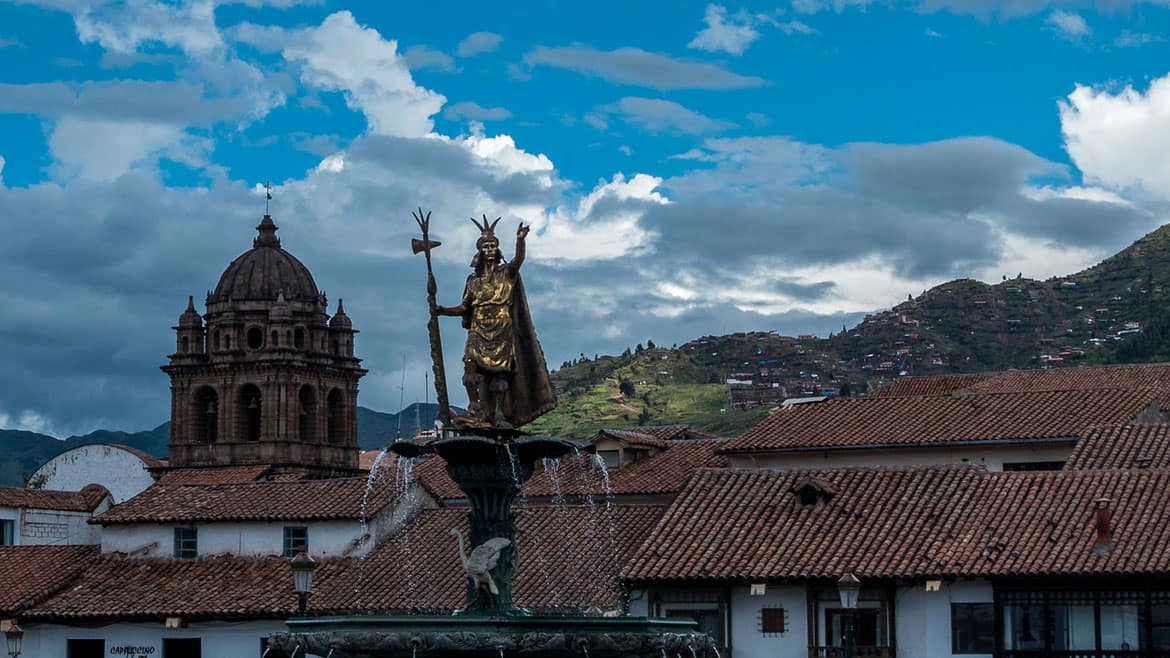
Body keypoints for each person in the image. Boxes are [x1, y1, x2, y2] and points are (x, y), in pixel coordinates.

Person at [433, 216, 556, 429]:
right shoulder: (473, 281)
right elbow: (464, 308)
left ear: (497, 249)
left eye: (493, 246)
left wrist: (520, 240)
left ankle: (499, 413)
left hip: (502, 327)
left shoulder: (506, 273)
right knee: (469, 364)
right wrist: (442, 310)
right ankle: (474, 407)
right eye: (486, 246)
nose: (490, 249)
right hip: (478, 328)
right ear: (480, 251)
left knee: (499, 374)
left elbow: (518, 260)